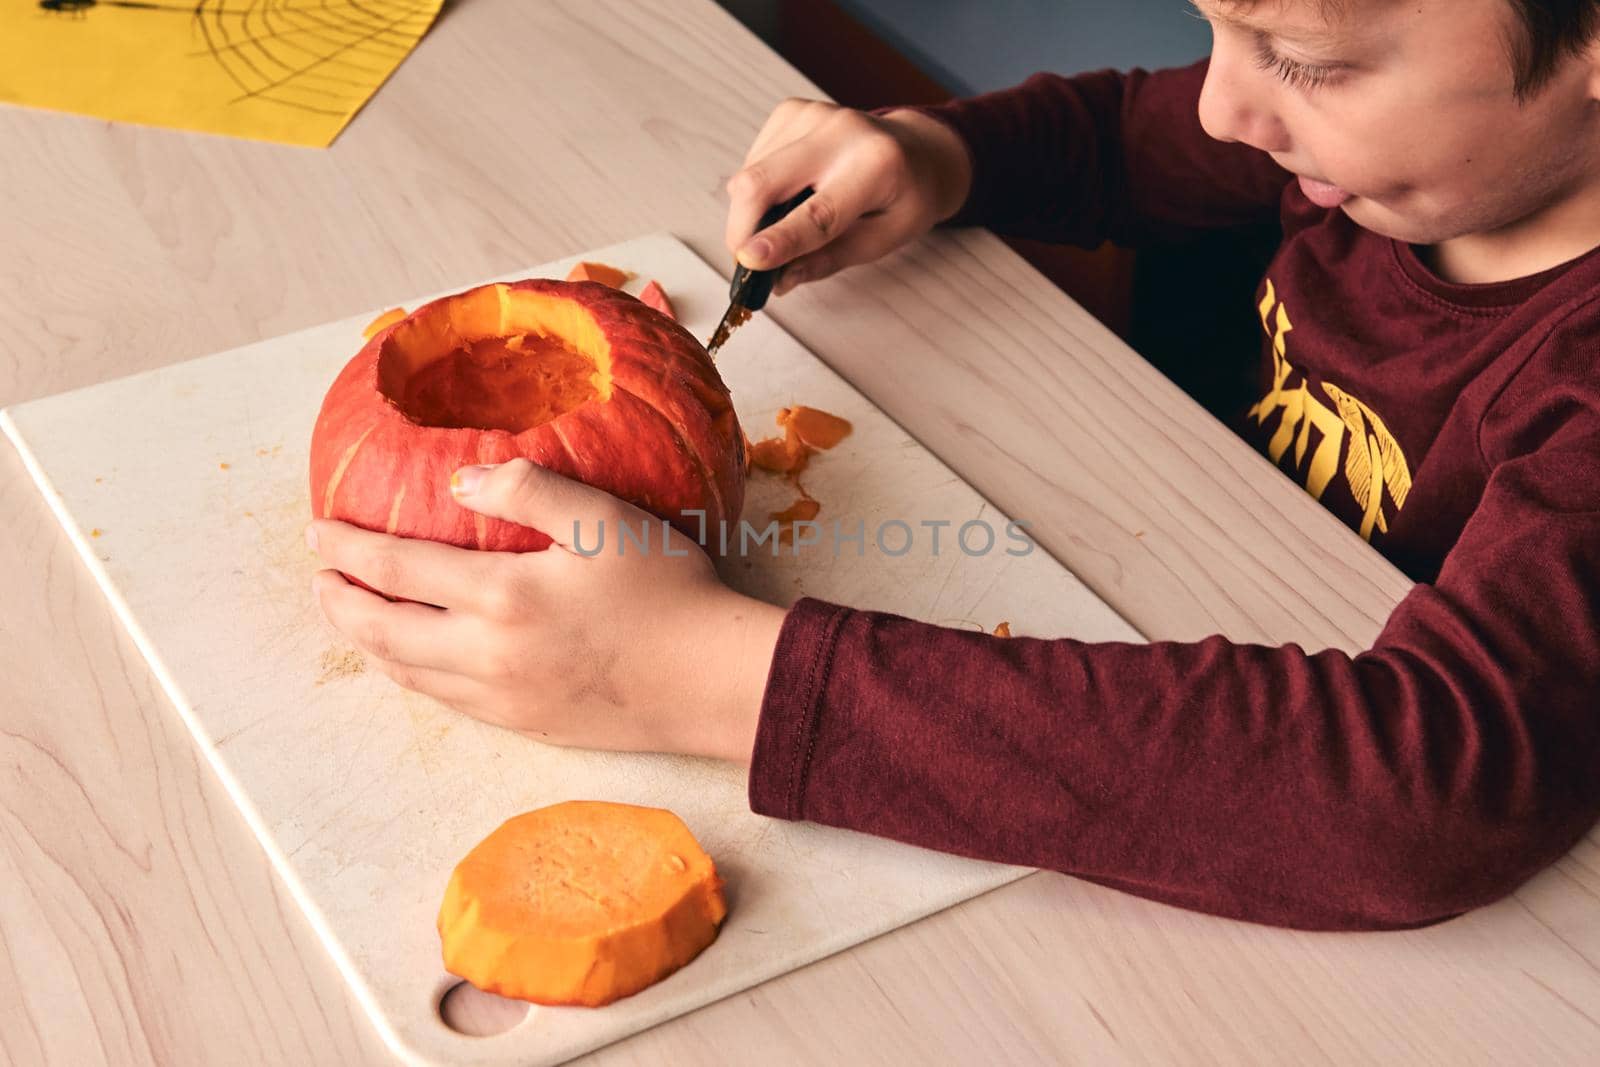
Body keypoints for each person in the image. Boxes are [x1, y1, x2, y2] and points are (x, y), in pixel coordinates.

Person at [306, 0, 1600, 930]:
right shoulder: (1383, 153)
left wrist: (715, 680)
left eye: (1306, 60)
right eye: (1212, 26)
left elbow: (1421, 796)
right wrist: (939, 156)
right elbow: (1132, 138)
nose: (1223, 102)